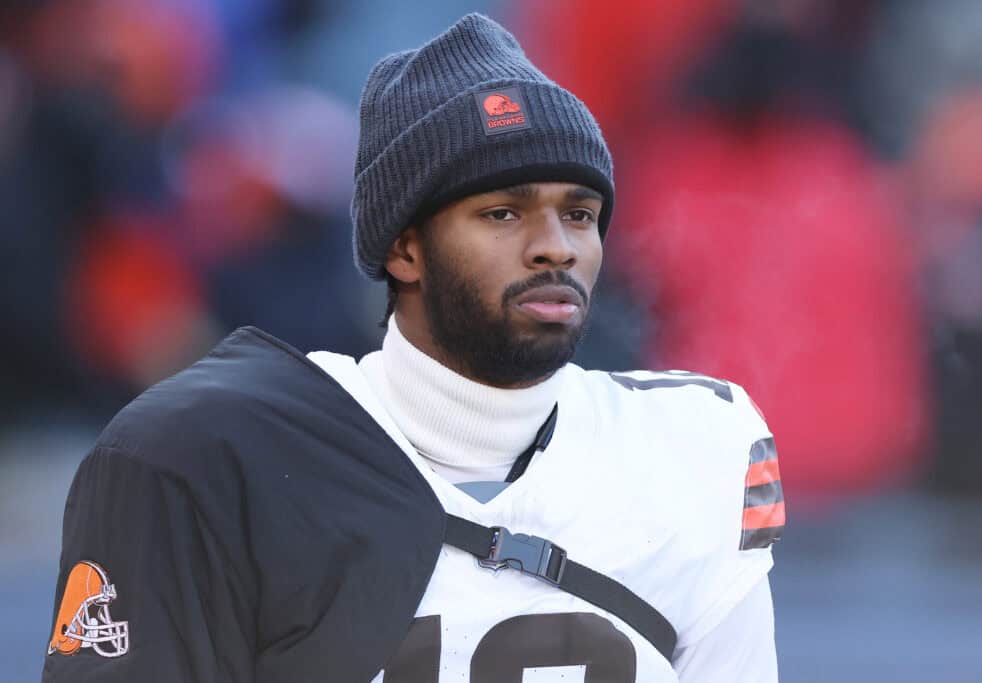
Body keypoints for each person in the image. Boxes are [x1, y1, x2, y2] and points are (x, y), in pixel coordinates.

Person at [42, 14, 783, 683]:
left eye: (580, 213)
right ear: (404, 247)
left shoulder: (695, 448)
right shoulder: (215, 452)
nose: (554, 247)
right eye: (503, 212)